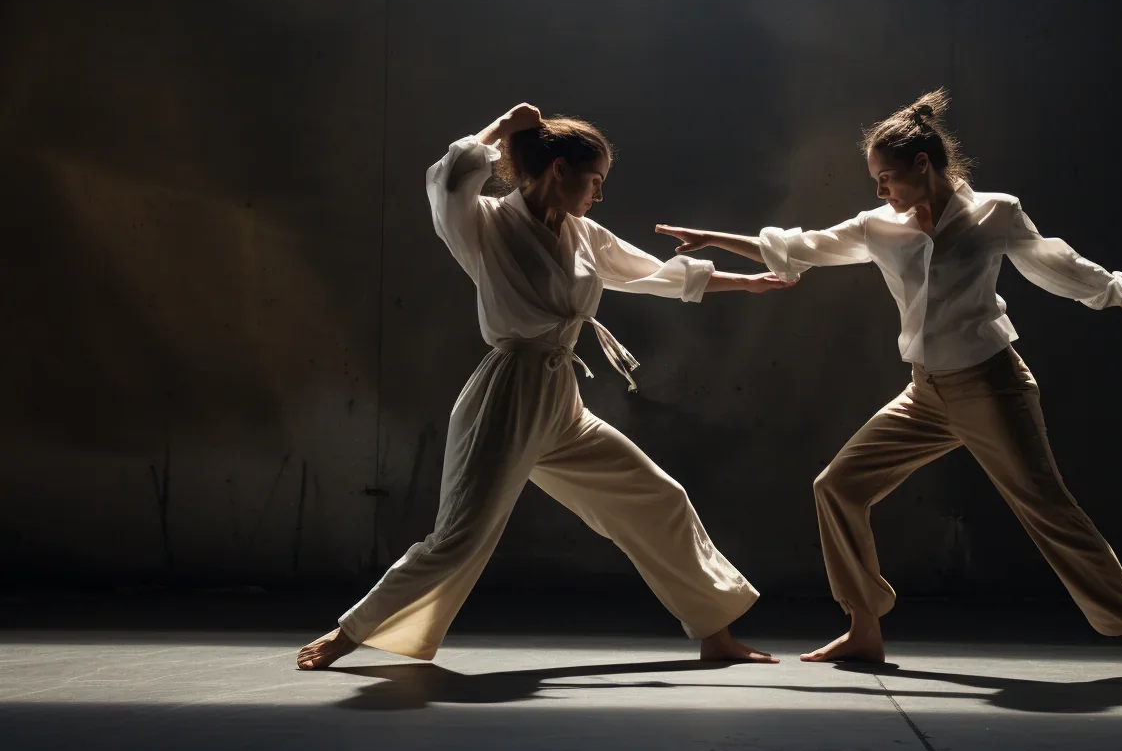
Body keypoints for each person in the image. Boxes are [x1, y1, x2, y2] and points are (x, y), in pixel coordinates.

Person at [656, 89, 1122, 680]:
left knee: (1047, 508)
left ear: (923, 165)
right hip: (925, 392)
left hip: (992, 386)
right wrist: (714, 240)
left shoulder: (994, 213)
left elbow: (1055, 262)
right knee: (838, 487)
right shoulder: (879, 228)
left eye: (887, 178)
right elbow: (801, 248)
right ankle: (864, 628)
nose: (880, 191)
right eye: (876, 180)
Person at [298, 103, 791, 670]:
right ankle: (349, 633)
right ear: (559, 169)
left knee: (660, 499)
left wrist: (747, 282)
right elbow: (451, 172)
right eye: (595, 180)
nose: (599, 195)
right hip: (507, 395)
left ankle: (716, 634)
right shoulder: (482, 221)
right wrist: (505, 126)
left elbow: (652, 273)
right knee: (461, 535)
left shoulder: (583, 234)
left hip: (561, 399)